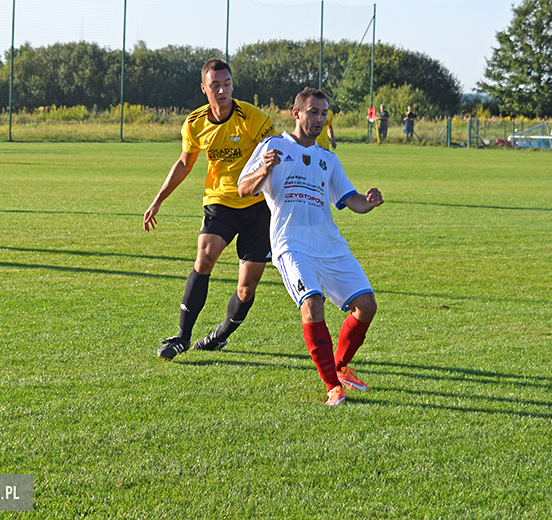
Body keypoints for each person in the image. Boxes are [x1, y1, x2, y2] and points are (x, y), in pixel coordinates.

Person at [238, 87, 384, 406]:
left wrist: (369, 202)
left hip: (329, 245)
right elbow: (243, 189)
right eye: (313, 112)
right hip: (292, 245)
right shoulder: (273, 146)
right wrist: (264, 169)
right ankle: (333, 385)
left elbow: (351, 200)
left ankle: (341, 366)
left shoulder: (327, 160)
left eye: (323, 113)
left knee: (367, 305)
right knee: (312, 305)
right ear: (297, 113)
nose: (319, 118)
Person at [143, 58, 277, 360]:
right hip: (220, 202)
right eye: (215, 85)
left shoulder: (252, 117)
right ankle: (182, 337)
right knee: (204, 257)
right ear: (204, 88)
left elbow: (276, 157)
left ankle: (219, 337)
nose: (222, 90)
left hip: (257, 205)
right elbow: (183, 163)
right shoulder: (195, 123)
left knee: (247, 288)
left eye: (226, 84)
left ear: (232, 85)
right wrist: (158, 199)